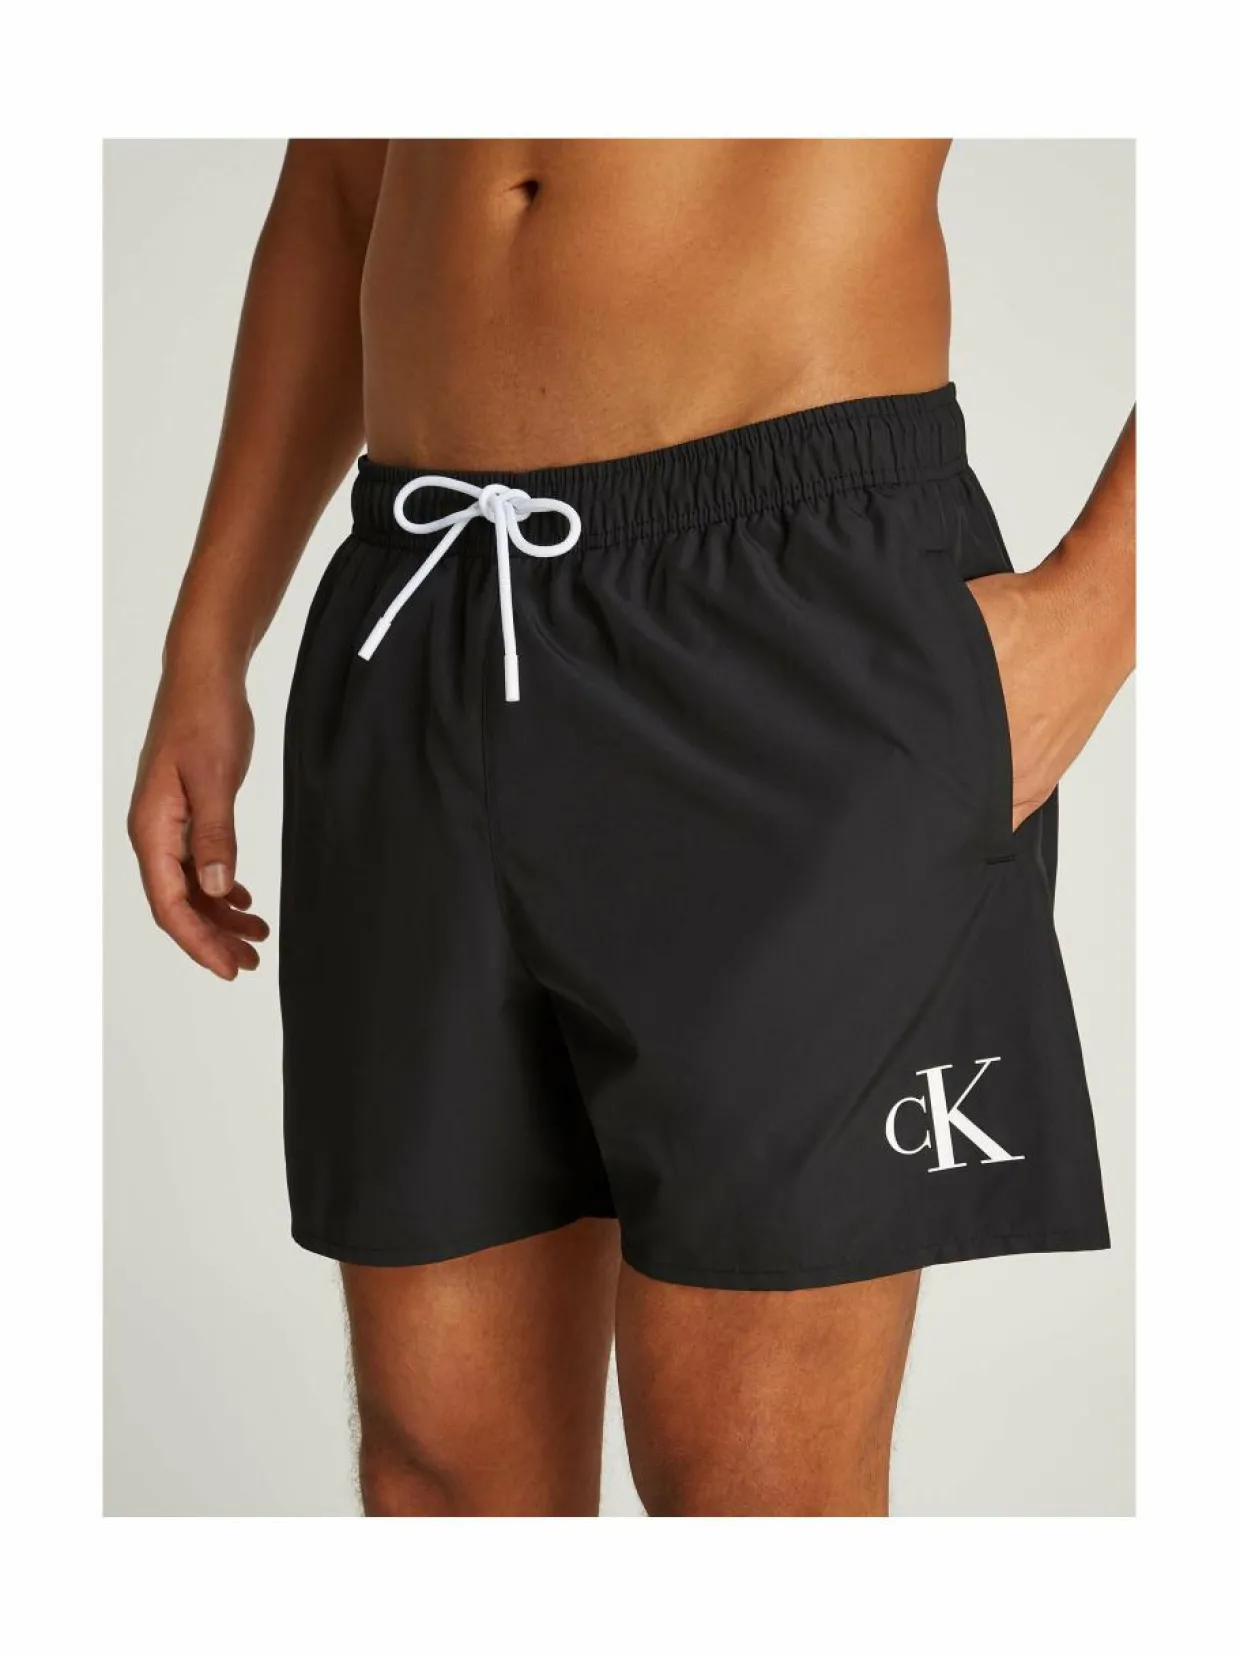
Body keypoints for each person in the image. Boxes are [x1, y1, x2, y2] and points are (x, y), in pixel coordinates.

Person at [128, 139, 1134, 1517]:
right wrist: (208, 639)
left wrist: (1107, 603)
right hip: (423, 605)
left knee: (756, 1492)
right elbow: (343, 181)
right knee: (438, 1480)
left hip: (793, 615)